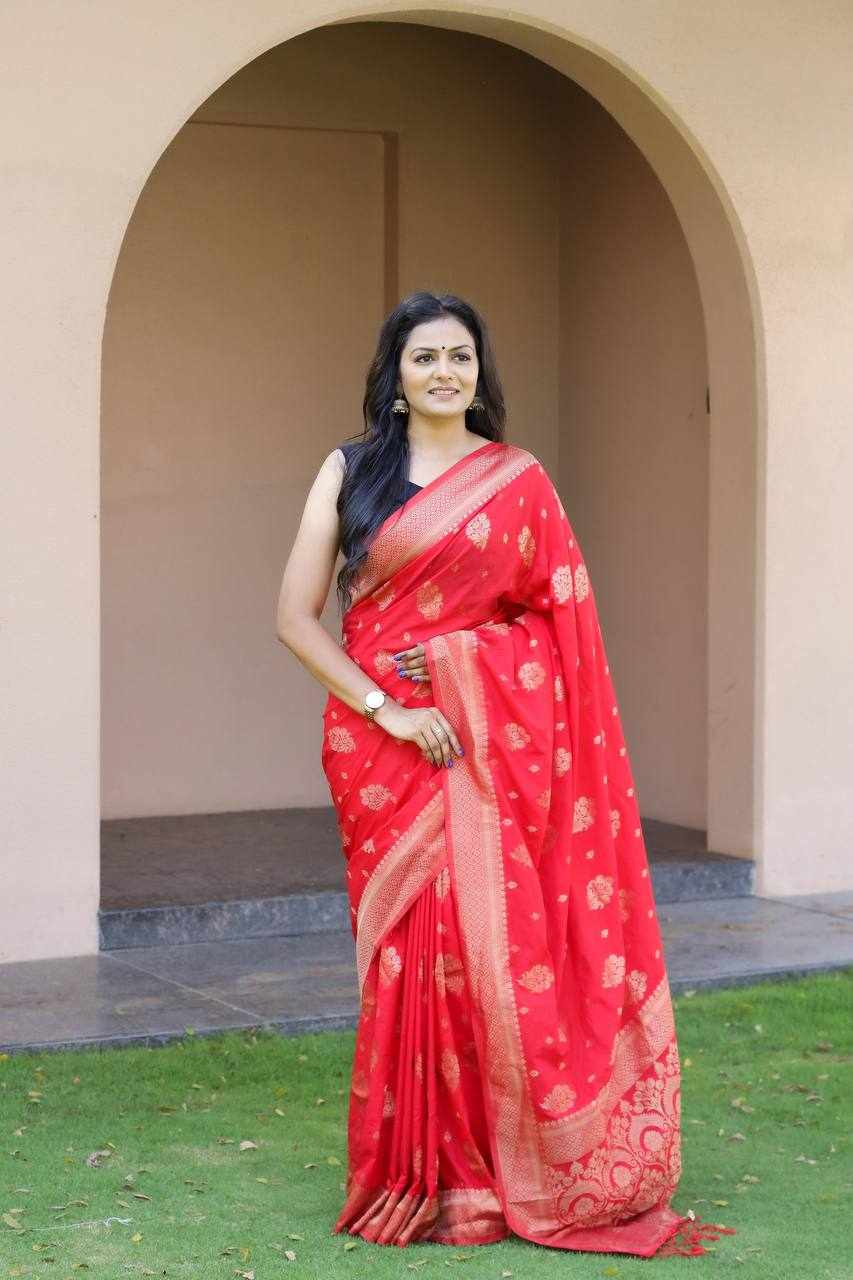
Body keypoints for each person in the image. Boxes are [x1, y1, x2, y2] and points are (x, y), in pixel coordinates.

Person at [275, 291, 729, 1257]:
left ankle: (484, 1174)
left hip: (482, 748)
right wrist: (391, 709)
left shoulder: (516, 482)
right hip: (379, 746)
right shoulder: (349, 470)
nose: (444, 372)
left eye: (460, 356)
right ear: (394, 375)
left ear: (479, 373)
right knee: (408, 956)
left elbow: (559, 631)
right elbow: (294, 619)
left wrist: (456, 665)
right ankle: (414, 1172)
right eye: (425, 357)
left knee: (479, 949)